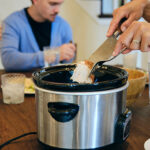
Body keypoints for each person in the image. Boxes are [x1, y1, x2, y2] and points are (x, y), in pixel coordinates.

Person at [0, 0, 76, 71]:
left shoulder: (64, 25)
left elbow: (68, 63)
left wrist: (69, 55)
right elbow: (8, 60)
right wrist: (51, 55)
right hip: (25, 83)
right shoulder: (12, 22)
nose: (57, 10)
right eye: (52, 4)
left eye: (60, 4)